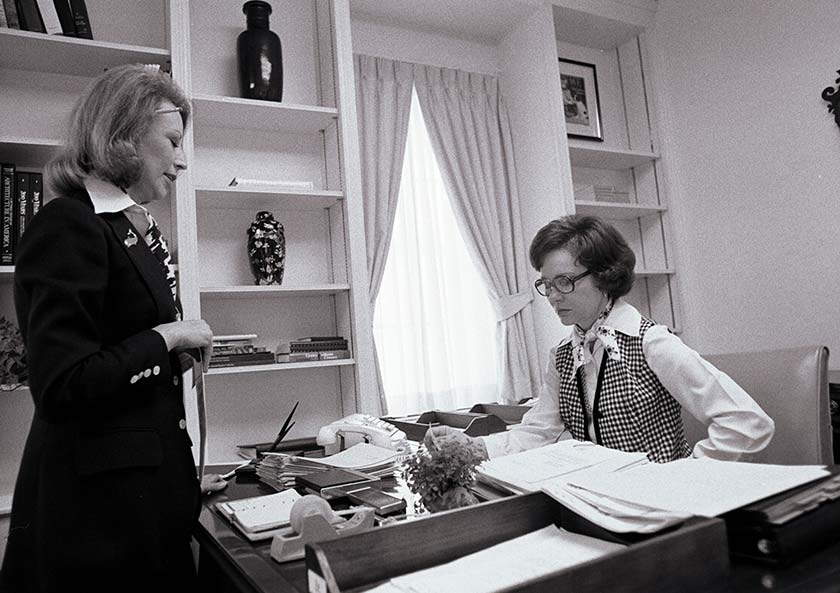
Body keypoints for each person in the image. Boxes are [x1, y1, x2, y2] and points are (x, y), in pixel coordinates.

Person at [0, 65, 225, 593]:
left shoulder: (128, 229)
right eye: (172, 141)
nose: (183, 160)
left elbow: (123, 379)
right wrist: (170, 338)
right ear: (122, 135)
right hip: (96, 533)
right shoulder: (68, 225)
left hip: (141, 507)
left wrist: (177, 479)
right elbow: (63, 385)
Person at [426, 215, 774, 464]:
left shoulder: (652, 343)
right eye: (546, 284)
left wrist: (688, 474)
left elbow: (747, 422)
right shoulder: (563, 355)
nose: (552, 296)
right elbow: (539, 431)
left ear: (605, 277)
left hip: (662, 511)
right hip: (595, 502)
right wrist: (470, 446)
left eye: (564, 281)